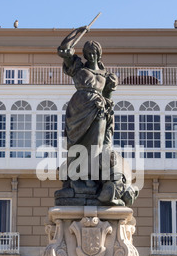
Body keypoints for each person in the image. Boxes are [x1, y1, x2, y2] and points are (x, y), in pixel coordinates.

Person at [56, 26, 138, 206]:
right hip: (77, 109)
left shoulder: (107, 75)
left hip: (98, 109)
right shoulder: (77, 68)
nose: (91, 56)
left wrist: (108, 112)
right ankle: (75, 179)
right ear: (84, 54)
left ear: (99, 55)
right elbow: (63, 50)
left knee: (96, 145)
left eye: (94, 53)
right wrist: (77, 32)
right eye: (88, 53)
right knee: (75, 145)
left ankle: (90, 179)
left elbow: (108, 98)